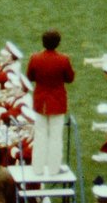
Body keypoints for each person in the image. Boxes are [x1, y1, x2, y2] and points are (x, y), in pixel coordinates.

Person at [26, 29, 76, 177]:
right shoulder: (63, 59)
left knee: (40, 135)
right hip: (58, 101)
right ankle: (54, 169)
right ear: (58, 43)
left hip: (40, 101)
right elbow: (70, 78)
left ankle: (37, 168)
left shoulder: (35, 58)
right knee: (56, 137)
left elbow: (30, 76)